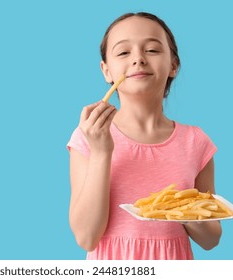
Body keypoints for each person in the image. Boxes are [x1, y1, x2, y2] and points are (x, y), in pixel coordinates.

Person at [66, 12, 222, 260]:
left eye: (152, 50)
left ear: (173, 65)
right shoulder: (89, 135)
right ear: (106, 71)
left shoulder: (196, 141)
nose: (138, 59)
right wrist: (102, 151)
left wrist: (185, 211)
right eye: (123, 52)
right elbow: (86, 237)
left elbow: (211, 238)